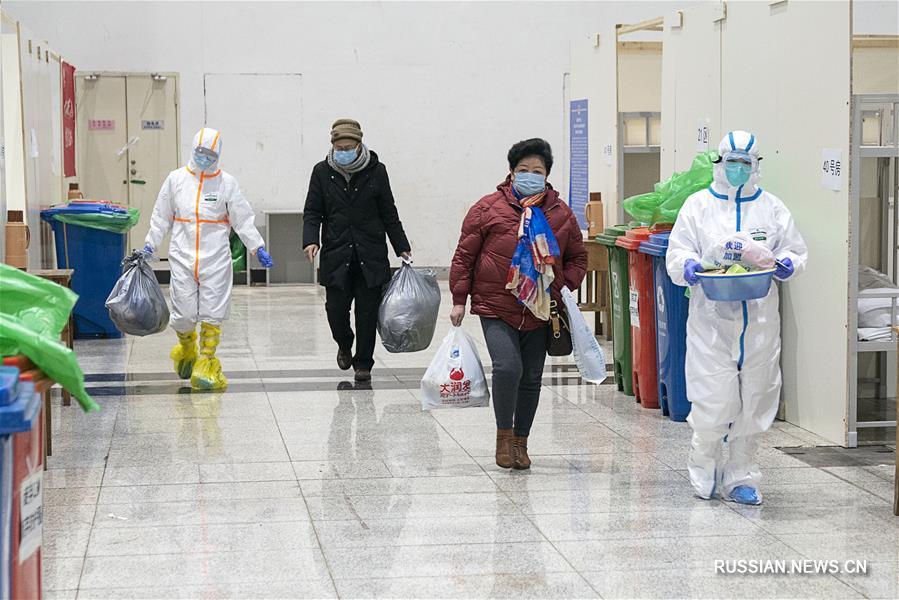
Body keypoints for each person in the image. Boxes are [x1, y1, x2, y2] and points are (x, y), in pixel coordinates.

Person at [666, 130, 808, 505]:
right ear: (720, 161)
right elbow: (677, 255)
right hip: (712, 318)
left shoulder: (772, 208)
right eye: (732, 161)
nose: (738, 169)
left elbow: (795, 250)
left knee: (756, 395)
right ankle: (704, 466)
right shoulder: (698, 206)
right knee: (713, 396)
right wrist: (691, 267)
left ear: (756, 165)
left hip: (760, 319)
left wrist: (788, 263)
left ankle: (742, 474)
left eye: (746, 163)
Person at [449, 138, 587, 470]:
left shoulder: (560, 213)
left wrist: (558, 290)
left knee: (531, 377)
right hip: (496, 304)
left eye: (537, 171)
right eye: (523, 170)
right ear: (511, 173)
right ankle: (503, 437)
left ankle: (521, 443)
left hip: (539, 309)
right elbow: (464, 257)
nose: (529, 175)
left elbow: (577, 258)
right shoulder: (487, 209)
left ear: (547, 175)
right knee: (508, 367)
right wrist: (458, 299)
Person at [144, 127, 273, 391]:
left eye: (209, 154)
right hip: (182, 256)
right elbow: (161, 216)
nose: (204, 158)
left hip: (215, 258)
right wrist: (149, 244)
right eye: (200, 152)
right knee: (183, 314)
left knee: (213, 312)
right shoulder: (176, 179)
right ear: (193, 150)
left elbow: (242, 218)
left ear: (217, 155)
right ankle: (187, 349)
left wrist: (257, 246)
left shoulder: (226, 183)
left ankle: (206, 362)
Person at [303, 119, 411, 383]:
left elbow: (389, 211)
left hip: (370, 254)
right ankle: (344, 342)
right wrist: (310, 239)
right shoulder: (321, 171)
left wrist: (402, 247)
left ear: (359, 145)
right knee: (336, 311)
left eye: (348, 146)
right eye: (338, 146)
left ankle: (363, 363)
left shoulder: (377, 171)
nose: (343, 151)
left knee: (366, 313)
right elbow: (312, 211)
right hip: (336, 254)